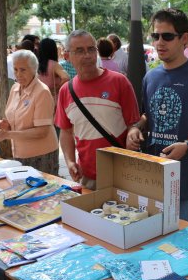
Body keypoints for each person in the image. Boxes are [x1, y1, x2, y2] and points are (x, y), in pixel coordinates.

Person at [126, 8, 188, 226]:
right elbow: (148, 113)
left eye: (167, 36)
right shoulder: (151, 77)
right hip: (155, 181)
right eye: (155, 36)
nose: (160, 42)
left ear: (183, 38)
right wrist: (137, 127)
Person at [55, 30, 140, 190]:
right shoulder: (66, 91)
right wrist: (70, 162)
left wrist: (133, 133)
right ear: (67, 56)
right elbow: (66, 132)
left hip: (122, 175)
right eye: (79, 51)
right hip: (87, 177)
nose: (87, 55)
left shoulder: (120, 82)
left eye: (91, 49)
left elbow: (133, 124)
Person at [0, 50, 59, 175]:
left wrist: (8, 135)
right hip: (19, 154)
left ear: (34, 69)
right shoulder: (15, 88)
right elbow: (12, 118)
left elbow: (42, 132)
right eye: (15, 69)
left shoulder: (42, 92)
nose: (18, 74)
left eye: (23, 70)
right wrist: (5, 125)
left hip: (41, 155)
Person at [37, 38, 70, 107]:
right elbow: (66, 77)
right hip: (53, 100)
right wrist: (56, 89)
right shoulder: (54, 64)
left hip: (39, 99)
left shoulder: (36, 64)